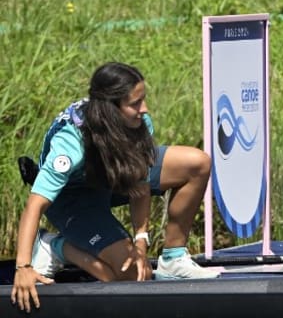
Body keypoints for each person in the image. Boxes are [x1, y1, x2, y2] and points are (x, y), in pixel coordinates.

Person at [11, 62, 219, 313]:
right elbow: (35, 204)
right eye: (135, 104)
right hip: (72, 197)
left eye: (143, 99)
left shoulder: (139, 123)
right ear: (111, 109)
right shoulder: (70, 143)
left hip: (110, 178)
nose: (145, 109)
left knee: (197, 163)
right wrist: (23, 268)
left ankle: (173, 258)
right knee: (131, 277)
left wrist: (141, 241)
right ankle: (56, 247)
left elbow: (139, 183)